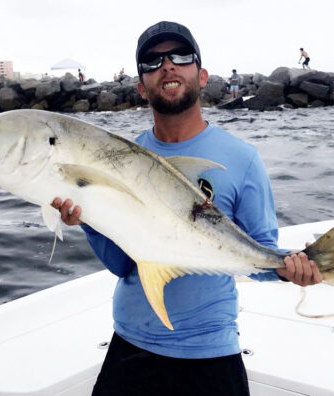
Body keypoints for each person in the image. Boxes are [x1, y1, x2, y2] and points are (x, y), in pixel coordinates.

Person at [52, 21, 323, 396]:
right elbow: (122, 264)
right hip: (131, 346)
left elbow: (259, 257)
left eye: (181, 56)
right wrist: (89, 221)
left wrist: (289, 269)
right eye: (152, 61)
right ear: (141, 87)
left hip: (211, 354)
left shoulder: (241, 159)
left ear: (202, 74)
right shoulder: (118, 159)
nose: (167, 66)